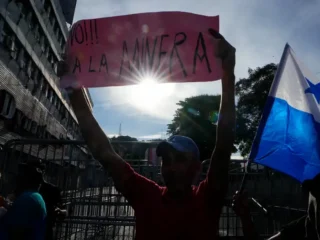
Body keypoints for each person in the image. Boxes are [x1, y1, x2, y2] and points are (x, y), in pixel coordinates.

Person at [57, 28, 236, 240]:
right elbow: (105, 153)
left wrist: (228, 74)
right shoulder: (147, 195)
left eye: (179, 159)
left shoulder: (207, 198)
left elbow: (223, 144)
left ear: (197, 168)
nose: (170, 167)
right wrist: (75, 91)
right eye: (166, 160)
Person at [0, 163, 47, 240]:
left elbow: (14, 230)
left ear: (25, 180)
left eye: (20, 177)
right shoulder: (34, 196)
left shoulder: (28, 198)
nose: (16, 181)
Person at [28, 160, 67, 240]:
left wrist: (59, 211)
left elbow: (65, 211)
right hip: (26, 230)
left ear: (43, 172)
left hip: (46, 230)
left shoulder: (53, 190)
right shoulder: (24, 188)